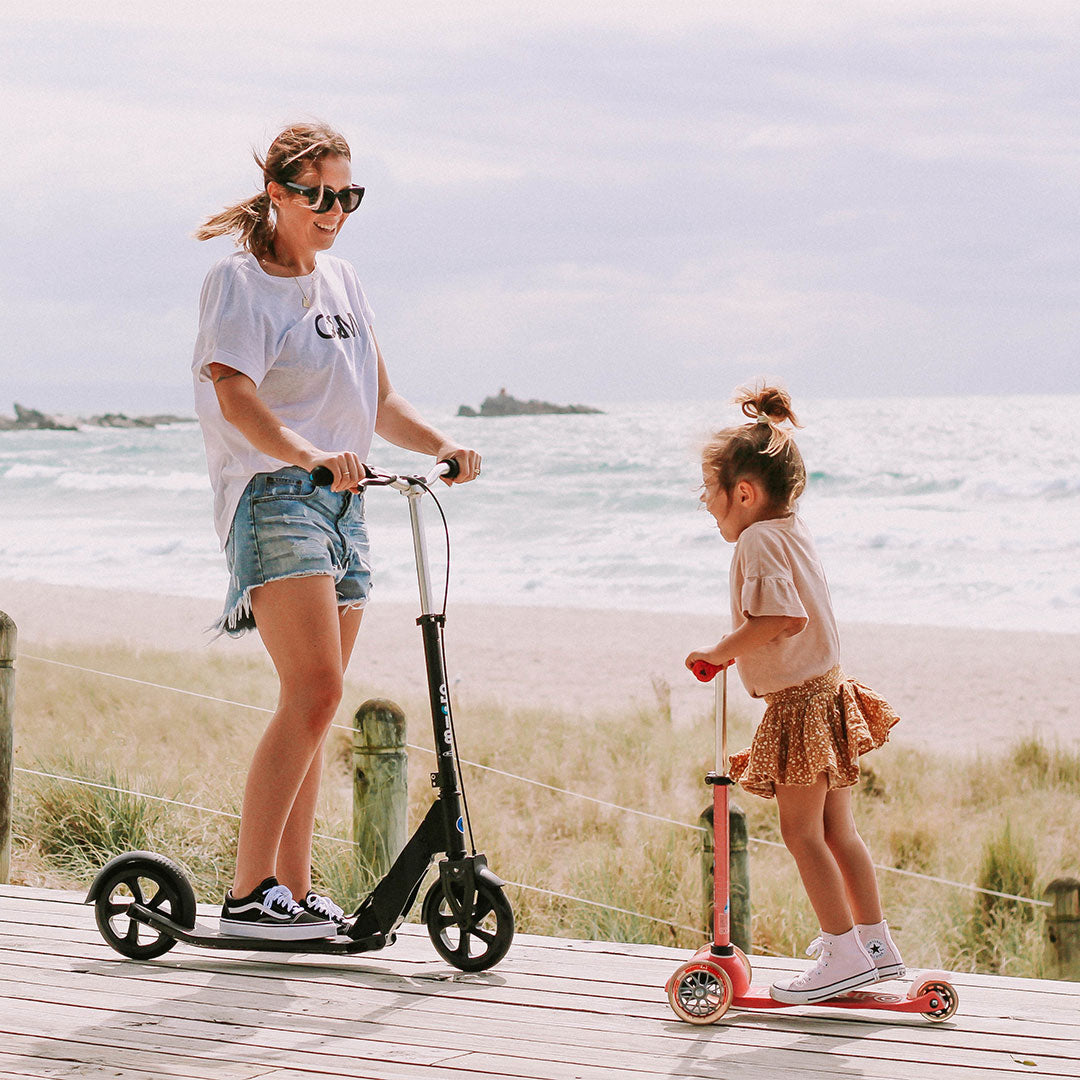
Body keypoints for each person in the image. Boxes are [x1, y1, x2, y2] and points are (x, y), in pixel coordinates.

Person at [191, 122, 480, 940]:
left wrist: (444, 445)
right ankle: (250, 895)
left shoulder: (345, 279)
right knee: (315, 691)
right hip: (277, 491)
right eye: (316, 194)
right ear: (276, 193)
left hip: (346, 499)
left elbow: (380, 400)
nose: (332, 209)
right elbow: (234, 393)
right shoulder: (238, 283)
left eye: (346, 195)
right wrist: (310, 453)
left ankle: (292, 887)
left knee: (315, 703)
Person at [685, 384, 903, 1004]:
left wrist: (718, 652)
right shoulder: (791, 529)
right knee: (839, 832)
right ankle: (875, 946)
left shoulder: (757, 540)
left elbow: (780, 619)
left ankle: (841, 954)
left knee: (800, 831)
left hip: (801, 705)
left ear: (744, 493)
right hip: (826, 692)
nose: (703, 502)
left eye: (708, 489)